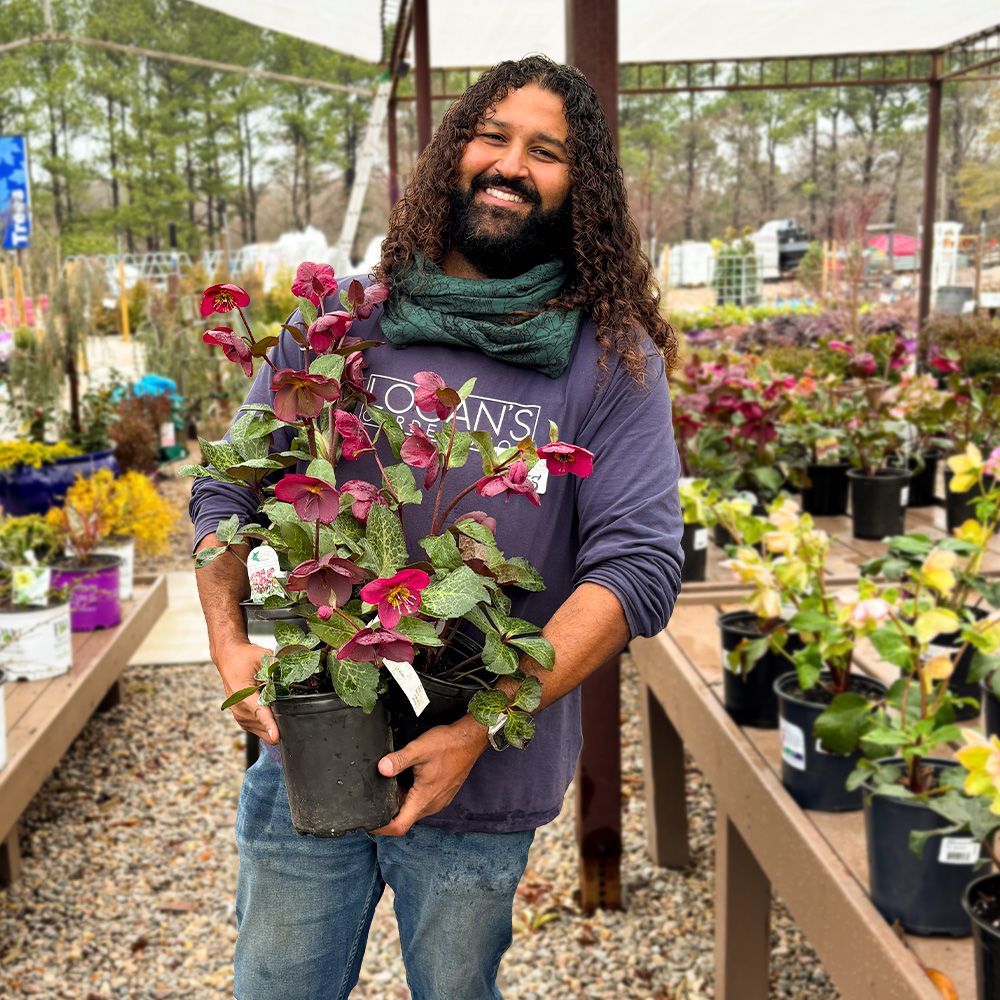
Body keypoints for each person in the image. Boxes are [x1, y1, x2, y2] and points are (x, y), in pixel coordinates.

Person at [190, 54, 683, 1000]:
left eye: (546, 151)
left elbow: (641, 567)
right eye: (492, 135)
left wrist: (485, 719)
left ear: (580, 190)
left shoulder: (609, 361)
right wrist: (229, 645)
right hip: (309, 744)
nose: (510, 164)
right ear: (452, 152)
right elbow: (226, 493)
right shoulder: (345, 324)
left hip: (485, 773)